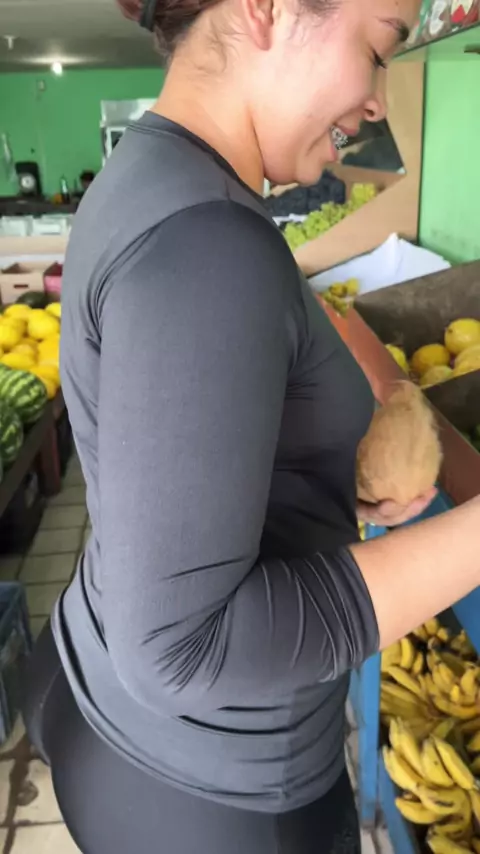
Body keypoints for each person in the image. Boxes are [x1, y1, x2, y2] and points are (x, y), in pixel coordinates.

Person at [22, 0, 480, 851]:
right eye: (379, 47)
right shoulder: (210, 242)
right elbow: (181, 651)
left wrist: (312, 477)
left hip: (98, 683)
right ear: (267, 8)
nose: (377, 99)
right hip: (211, 794)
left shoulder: (154, 173)